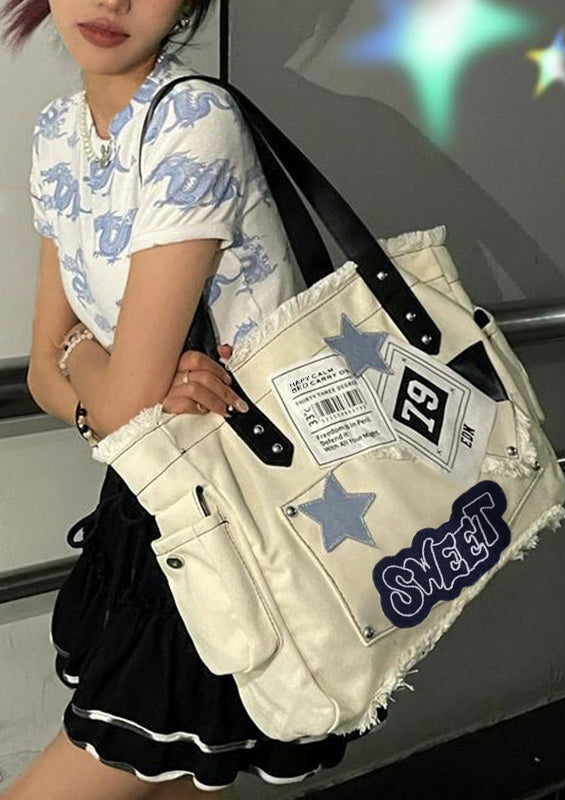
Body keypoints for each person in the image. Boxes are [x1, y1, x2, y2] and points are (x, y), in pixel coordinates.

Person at [0, 0, 388, 796]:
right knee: (178, 779)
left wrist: (85, 361)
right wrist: (99, 391)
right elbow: (45, 373)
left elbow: (103, 387)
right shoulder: (57, 134)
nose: (112, 1)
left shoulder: (193, 120)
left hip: (237, 510)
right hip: (153, 500)